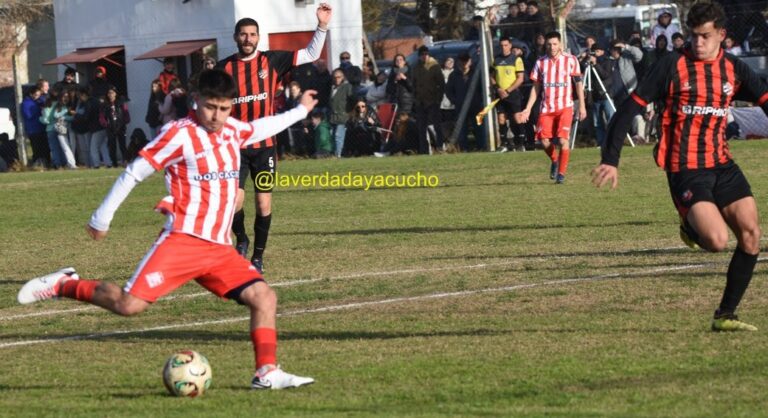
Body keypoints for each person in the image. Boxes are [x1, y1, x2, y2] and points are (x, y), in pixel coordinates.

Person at [17, 69, 320, 389]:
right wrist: (101, 218)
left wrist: (301, 110)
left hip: (219, 249)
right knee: (128, 305)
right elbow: (134, 172)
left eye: (224, 108)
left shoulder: (233, 130)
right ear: (196, 100)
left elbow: (261, 127)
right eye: (210, 107)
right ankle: (64, 284)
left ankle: (266, 372)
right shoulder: (179, 134)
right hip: (183, 241)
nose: (216, 116)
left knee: (264, 297)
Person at [591, 2, 767, 332]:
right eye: (693, 36)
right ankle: (690, 226)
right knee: (717, 241)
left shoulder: (734, 69)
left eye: (705, 36)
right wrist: (611, 160)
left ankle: (725, 316)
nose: (697, 43)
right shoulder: (672, 65)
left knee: (751, 235)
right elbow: (628, 109)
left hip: (723, 164)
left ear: (721, 35)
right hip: (685, 168)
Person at [218, 3, 331, 273]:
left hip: (265, 148)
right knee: (233, 202)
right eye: (243, 34)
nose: (248, 39)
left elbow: (311, 53)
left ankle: (258, 257)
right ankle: (241, 238)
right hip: (235, 148)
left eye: (252, 34)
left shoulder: (272, 61)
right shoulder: (223, 68)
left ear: (258, 37)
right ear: (236, 37)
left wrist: (322, 25)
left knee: (263, 203)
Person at [518, 31, 587, 184]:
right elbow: (536, 88)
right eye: (549, 44)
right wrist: (528, 108)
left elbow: (578, 84)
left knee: (562, 140)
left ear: (560, 44)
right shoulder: (540, 62)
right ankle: (555, 161)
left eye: (555, 44)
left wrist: (582, 106)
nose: (552, 47)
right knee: (544, 141)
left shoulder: (571, 60)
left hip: (565, 107)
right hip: (546, 108)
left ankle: (561, 174)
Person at [492, 37, 526, 152]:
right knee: (501, 119)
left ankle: (520, 143)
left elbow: (520, 78)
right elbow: (491, 76)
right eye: (501, 45)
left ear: (510, 46)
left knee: (517, 118)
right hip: (500, 94)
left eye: (506, 45)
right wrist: (498, 89)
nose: (503, 48)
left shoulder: (516, 59)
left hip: (512, 93)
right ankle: (504, 144)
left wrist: (508, 90)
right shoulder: (496, 60)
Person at [412, 45, 446, 154]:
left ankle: (440, 147)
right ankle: (424, 149)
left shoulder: (434, 66)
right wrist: (415, 98)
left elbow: (441, 84)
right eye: (422, 54)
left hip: (433, 101)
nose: (425, 56)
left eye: (426, 54)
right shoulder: (416, 67)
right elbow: (413, 84)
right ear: (419, 56)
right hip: (420, 101)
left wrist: (438, 99)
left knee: (437, 126)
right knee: (422, 128)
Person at [99, 86, 130, 166]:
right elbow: (102, 116)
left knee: (122, 145)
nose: (110, 95)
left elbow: (126, 113)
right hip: (110, 128)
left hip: (121, 127)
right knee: (112, 146)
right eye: (109, 93)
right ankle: (114, 163)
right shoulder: (105, 104)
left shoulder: (121, 103)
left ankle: (125, 161)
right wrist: (106, 123)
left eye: (112, 93)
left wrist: (125, 122)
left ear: (115, 94)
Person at [21, 86, 50, 168]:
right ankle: (37, 163)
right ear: (31, 94)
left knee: (45, 148)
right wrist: (39, 110)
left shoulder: (39, 101)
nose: (38, 97)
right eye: (36, 95)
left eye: (39, 95)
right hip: (33, 130)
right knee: (36, 148)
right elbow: (28, 115)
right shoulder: (26, 103)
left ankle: (46, 162)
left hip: (42, 128)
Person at [329, 68, 354, 157]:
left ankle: (338, 155)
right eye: (335, 77)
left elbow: (352, 100)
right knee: (332, 135)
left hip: (342, 115)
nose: (337, 79)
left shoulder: (347, 87)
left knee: (338, 136)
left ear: (343, 77)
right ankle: (334, 153)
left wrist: (349, 113)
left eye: (339, 77)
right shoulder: (332, 87)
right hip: (333, 116)